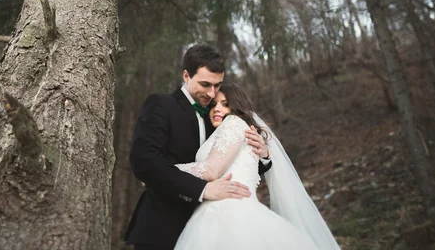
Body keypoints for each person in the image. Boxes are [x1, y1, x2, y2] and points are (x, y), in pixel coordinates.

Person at [125, 45, 272, 250]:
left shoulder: (217, 118)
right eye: (205, 84)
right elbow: (144, 162)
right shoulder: (161, 104)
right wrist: (203, 189)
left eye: (217, 85)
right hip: (163, 226)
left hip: (211, 229)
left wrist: (263, 156)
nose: (212, 93)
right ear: (186, 75)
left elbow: (233, 164)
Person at [173, 83, 341, 250]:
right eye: (213, 104)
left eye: (225, 104)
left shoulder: (234, 124)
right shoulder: (215, 131)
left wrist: (164, 170)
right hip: (217, 209)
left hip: (230, 214)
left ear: (236, 106)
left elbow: (211, 170)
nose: (217, 109)